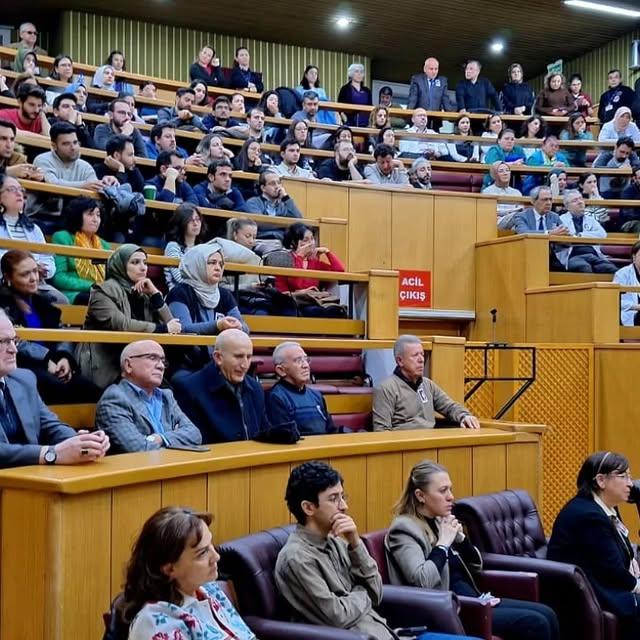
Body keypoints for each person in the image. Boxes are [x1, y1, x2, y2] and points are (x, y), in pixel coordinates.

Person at [276, 461, 467, 640]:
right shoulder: (296, 558)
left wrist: (355, 543)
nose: (344, 506)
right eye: (334, 499)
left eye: (343, 496)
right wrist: (363, 592)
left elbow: (376, 591)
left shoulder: (337, 542)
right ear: (308, 507)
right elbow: (338, 616)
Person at [386, 460, 561, 640]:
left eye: (450, 489)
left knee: (548, 613)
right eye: (442, 491)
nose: (451, 496)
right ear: (420, 495)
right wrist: (443, 544)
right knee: (535, 622)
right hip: (446, 610)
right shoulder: (404, 529)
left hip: (474, 600)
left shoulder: (439, 521)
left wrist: (461, 541)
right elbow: (423, 581)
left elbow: (476, 566)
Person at [123, 506, 256, 639]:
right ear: (169, 569)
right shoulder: (154, 624)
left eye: (211, 544)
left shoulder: (209, 589)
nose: (216, 557)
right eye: (203, 552)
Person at [548, 451, 640, 640]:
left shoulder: (605, 506)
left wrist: (631, 559)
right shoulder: (589, 515)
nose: (630, 483)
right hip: (587, 591)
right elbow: (611, 570)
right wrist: (637, 585)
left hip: (601, 581)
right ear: (601, 480)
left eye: (629, 476)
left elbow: (620, 547)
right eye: (623, 476)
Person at [0, 310, 109, 468]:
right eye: (2, 342)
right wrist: (52, 453)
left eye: (14, 340)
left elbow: (51, 426)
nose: (14, 350)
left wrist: (82, 443)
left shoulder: (24, 379)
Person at [0, 249, 100, 404]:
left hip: (52, 363)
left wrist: (63, 358)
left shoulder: (45, 303)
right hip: (20, 365)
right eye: (25, 274)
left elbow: (60, 334)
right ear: (8, 277)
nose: (33, 278)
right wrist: (47, 360)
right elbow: (15, 342)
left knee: (91, 389)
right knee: (57, 388)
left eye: (35, 271)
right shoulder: (3, 306)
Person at [78, 244, 181, 389]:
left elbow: (173, 325)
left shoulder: (143, 292)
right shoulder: (102, 290)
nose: (143, 267)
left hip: (140, 363)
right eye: (135, 262)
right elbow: (120, 324)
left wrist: (155, 295)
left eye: (145, 262)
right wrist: (162, 328)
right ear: (120, 265)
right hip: (108, 365)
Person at [95, 340, 202, 453]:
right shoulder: (114, 399)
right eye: (152, 358)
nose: (161, 366)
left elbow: (195, 434)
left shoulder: (166, 395)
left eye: (163, 361)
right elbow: (139, 448)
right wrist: (177, 436)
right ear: (128, 365)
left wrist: (160, 438)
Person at [173, 328, 270, 443]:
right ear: (218, 357)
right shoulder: (190, 388)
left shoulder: (255, 388)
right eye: (238, 356)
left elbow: (264, 432)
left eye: (248, 357)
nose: (245, 365)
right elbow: (194, 442)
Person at [166, 242, 247, 372]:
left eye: (221, 264)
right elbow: (183, 329)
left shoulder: (224, 294)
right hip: (185, 365)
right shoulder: (179, 292)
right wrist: (218, 325)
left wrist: (238, 326)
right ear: (197, 264)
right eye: (212, 262)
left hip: (220, 365)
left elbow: (244, 328)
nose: (218, 268)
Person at [372, 334, 479, 431]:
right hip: (404, 447)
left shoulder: (428, 385)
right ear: (400, 361)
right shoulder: (386, 388)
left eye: (422, 354)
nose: (421, 359)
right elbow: (381, 431)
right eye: (415, 355)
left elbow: (450, 406)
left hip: (431, 443)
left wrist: (464, 416)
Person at [0, 174, 63, 302]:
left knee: (59, 299)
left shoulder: (34, 229)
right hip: (6, 282)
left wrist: (43, 270)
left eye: (21, 190)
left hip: (35, 281)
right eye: (12, 189)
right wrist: (22, 268)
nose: (19, 194)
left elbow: (48, 259)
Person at [275, 222, 346, 318]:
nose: (311, 243)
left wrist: (327, 252)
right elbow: (298, 284)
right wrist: (299, 256)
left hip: (313, 301)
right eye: (306, 240)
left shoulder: (314, 262)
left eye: (312, 239)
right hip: (291, 302)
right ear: (294, 243)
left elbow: (339, 271)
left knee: (337, 311)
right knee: (314, 312)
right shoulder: (285, 260)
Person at [50, 198, 110, 304]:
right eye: (90, 214)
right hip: (72, 292)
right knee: (102, 301)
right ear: (77, 215)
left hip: (101, 291)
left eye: (98, 215)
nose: (95, 219)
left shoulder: (104, 245)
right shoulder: (62, 237)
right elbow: (59, 278)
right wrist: (92, 286)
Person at [267, 341, 336, 435]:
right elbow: (285, 437)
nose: (306, 366)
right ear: (281, 370)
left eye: (306, 359)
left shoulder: (316, 396)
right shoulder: (276, 397)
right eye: (298, 360)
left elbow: (331, 431)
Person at [33, 122, 116, 191]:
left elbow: (94, 185)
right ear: (54, 146)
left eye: (75, 142)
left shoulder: (85, 166)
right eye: (66, 144)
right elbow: (52, 183)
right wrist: (84, 185)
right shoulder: (42, 160)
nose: (73, 148)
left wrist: (105, 183)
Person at [558, 190, 617, 273]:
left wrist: (579, 235)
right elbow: (566, 238)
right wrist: (589, 235)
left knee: (612, 269)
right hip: (573, 256)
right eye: (575, 201)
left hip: (593, 255)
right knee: (585, 267)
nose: (580, 202)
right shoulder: (561, 220)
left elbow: (602, 235)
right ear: (567, 206)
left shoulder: (590, 219)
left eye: (581, 199)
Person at [244, 170, 303, 239]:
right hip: (262, 240)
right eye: (272, 184)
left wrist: (286, 198)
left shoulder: (284, 204)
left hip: (282, 241)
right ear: (263, 188)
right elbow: (259, 224)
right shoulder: (253, 202)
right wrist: (286, 224)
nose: (277, 187)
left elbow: (299, 220)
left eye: (279, 183)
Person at [163, 203, 207, 290]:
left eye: (198, 219)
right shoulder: (173, 246)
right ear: (181, 223)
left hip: (201, 293)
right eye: (190, 220)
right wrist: (203, 284)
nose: (195, 223)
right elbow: (179, 278)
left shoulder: (202, 248)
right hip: (179, 293)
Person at [94, 134, 145, 200]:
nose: (135, 160)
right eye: (130, 155)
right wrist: (121, 169)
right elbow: (117, 196)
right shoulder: (98, 170)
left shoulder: (134, 172)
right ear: (116, 155)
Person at [482, 162, 524, 228]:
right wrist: (511, 212)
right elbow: (490, 212)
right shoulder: (487, 192)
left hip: (515, 221)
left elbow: (521, 209)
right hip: (495, 222)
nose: (505, 173)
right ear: (494, 174)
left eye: (507, 170)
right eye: (501, 171)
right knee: (517, 216)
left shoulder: (516, 192)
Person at [337, 63, 372, 128]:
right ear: (351, 74)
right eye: (356, 71)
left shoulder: (367, 91)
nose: (359, 74)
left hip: (365, 124)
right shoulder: (345, 89)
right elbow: (340, 108)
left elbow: (370, 107)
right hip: (350, 123)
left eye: (361, 72)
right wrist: (345, 121)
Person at [614, 241, 640, 326]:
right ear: (634, 257)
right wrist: (636, 306)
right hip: (632, 314)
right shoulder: (622, 274)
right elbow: (614, 300)